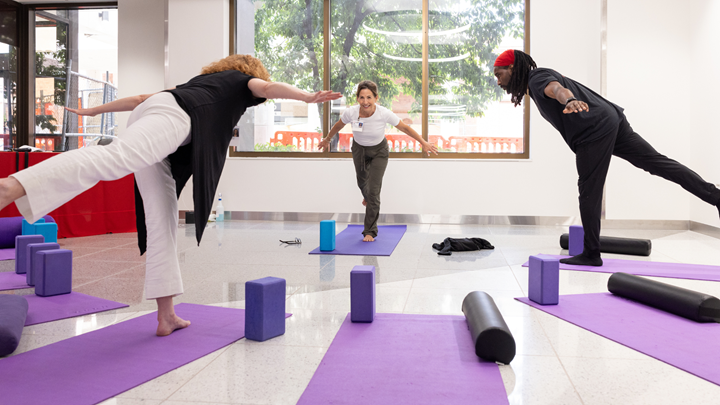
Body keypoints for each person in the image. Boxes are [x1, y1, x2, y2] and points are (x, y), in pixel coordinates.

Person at [0, 54, 341, 336]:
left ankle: (166, 315)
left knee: (162, 218)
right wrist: (307, 97)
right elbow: (268, 86)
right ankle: (12, 186)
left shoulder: (197, 82)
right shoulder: (242, 82)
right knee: (115, 158)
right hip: (174, 118)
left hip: (155, 113)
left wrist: (95, 112)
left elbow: (138, 101)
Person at [493, 49, 720, 266]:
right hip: (612, 118)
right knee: (656, 162)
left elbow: (556, 89)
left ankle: (591, 253)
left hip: (593, 129)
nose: (498, 81)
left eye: (499, 74)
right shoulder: (539, 77)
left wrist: (569, 100)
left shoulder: (536, 78)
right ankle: (715, 196)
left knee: (589, 191)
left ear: (512, 68)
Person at [318, 80, 438, 242]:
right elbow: (338, 126)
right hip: (359, 149)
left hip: (379, 152)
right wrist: (327, 139)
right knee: (361, 182)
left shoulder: (384, 113)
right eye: (361, 97)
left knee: (374, 190)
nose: (365, 102)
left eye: (369, 97)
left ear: (376, 98)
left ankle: (370, 231)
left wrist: (423, 142)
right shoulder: (351, 113)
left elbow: (405, 128)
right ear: (357, 98)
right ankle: (367, 196)